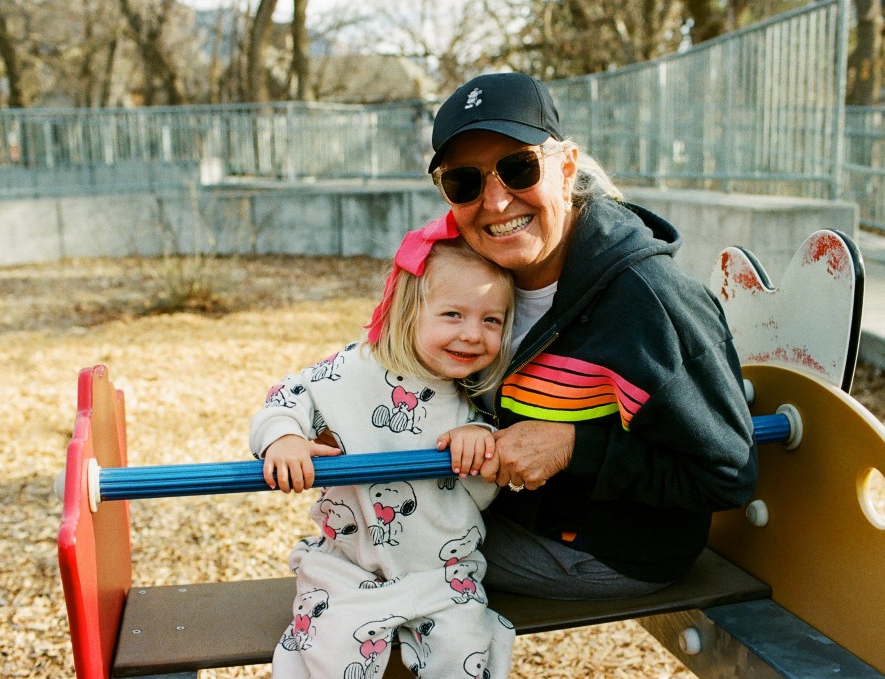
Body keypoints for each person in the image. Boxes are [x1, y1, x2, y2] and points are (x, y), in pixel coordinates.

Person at [425, 72, 758, 600]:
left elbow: (726, 472)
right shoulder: (475, 277)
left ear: (566, 168)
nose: (495, 202)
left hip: (606, 549)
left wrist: (573, 447)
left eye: (518, 168)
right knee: (364, 534)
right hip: (510, 509)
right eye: (464, 182)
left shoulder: (650, 302)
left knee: (387, 552)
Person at [249, 218, 516, 679]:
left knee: (464, 650)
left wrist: (480, 440)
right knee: (329, 650)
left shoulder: (478, 395)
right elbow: (288, 396)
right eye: (453, 315)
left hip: (443, 572)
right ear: (406, 311)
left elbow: (486, 483)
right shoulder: (354, 369)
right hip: (350, 566)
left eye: (491, 320)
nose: (474, 334)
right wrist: (284, 437)